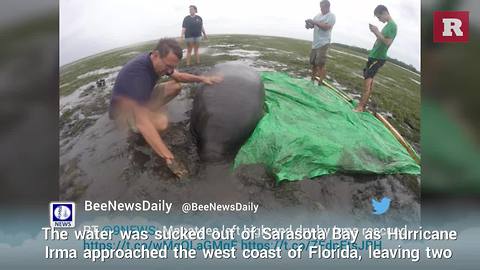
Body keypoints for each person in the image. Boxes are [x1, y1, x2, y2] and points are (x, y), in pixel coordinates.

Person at [109, 38, 222, 177]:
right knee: (161, 122)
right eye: (168, 66)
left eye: (172, 67)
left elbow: (179, 76)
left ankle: (148, 114)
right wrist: (169, 158)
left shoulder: (155, 60)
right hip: (123, 111)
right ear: (156, 55)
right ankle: (133, 128)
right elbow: (142, 123)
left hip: (142, 97)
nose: (169, 70)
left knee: (175, 86)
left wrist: (203, 79)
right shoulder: (138, 74)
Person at [354, 5, 397, 112]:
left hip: (378, 58)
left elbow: (387, 42)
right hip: (373, 56)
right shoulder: (387, 26)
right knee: (369, 80)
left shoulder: (392, 26)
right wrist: (375, 32)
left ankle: (360, 107)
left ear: (385, 13)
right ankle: (363, 105)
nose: (379, 20)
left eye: (379, 17)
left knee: (367, 82)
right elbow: (380, 40)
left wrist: (377, 32)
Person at [305, 0, 335, 84]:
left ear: (327, 7)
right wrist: (308, 24)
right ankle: (312, 79)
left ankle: (320, 83)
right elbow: (312, 26)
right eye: (320, 7)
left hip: (324, 43)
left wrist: (314, 22)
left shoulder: (331, 16)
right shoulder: (317, 16)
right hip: (315, 43)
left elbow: (327, 27)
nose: (321, 9)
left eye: (322, 7)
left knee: (321, 64)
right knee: (314, 63)